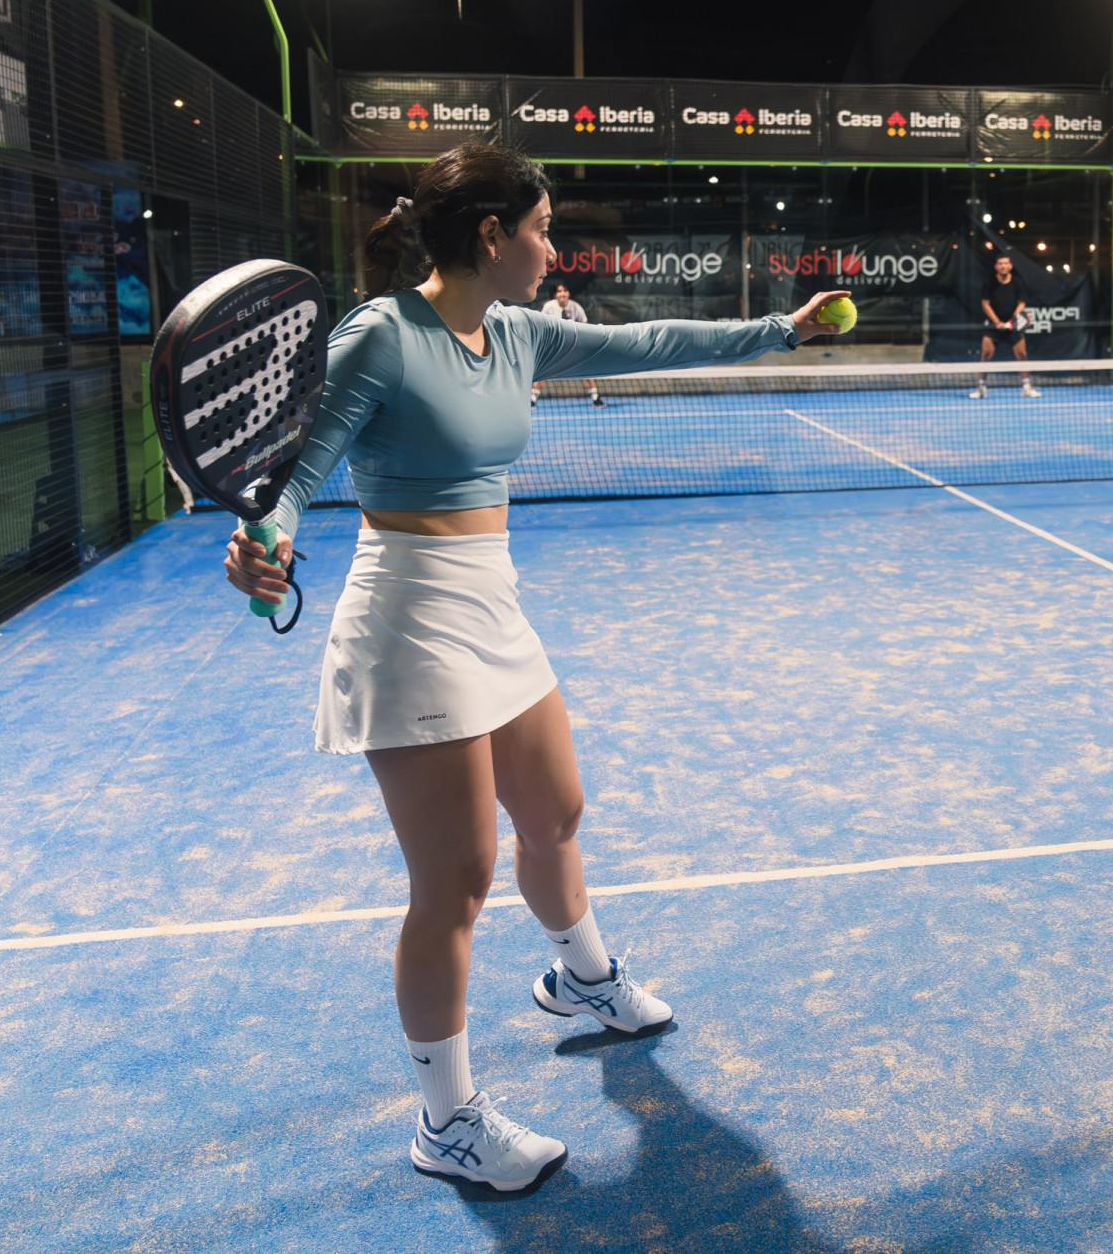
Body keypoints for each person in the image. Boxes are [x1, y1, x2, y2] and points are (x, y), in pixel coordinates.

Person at [224, 142, 850, 1191]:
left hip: (491, 604)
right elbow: (297, 472)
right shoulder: (380, 336)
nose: (553, 250)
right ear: (490, 236)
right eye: (542, 230)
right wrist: (264, 540)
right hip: (408, 620)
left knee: (555, 810)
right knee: (455, 882)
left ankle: (582, 978)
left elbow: (649, 343)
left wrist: (780, 328)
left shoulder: (516, 332)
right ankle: (446, 1120)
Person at [970, 252, 1039, 399]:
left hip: (1012, 325)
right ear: (996, 266)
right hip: (993, 325)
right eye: (1000, 264)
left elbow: (1022, 303)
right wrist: (997, 323)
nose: (1003, 266)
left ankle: (1027, 387)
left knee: (1022, 355)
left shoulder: (1017, 282)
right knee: (986, 354)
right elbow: (985, 304)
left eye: (1006, 263)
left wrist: (1012, 321)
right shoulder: (989, 282)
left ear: (1010, 266)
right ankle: (981, 387)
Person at [539, 281, 601, 406]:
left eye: (565, 291)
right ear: (556, 294)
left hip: (573, 346)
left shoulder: (575, 307)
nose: (562, 294)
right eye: (559, 291)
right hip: (554, 347)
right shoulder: (549, 307)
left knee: (585, 371)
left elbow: (584, 325)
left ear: (568, 293)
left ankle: (595, 398)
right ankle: (532, 399)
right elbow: (542, 325)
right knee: (542, 372)